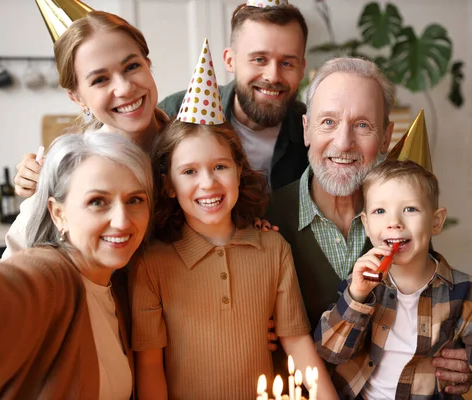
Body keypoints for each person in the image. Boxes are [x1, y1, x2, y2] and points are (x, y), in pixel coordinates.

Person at [130, 49, 337, 397]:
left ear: (239, 170)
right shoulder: (152, 263)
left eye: (220, 167)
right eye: (189, 172)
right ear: (168, 184)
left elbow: (298, 344)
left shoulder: (273, 248)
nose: (208, 184)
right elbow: (150, 366)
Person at [266, 57, 472, 393]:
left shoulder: (401, 218)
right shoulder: (267, 217)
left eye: (363, 125)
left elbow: (434, 301)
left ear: (385, 136)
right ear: (306, 129)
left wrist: (459, 354)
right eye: (328, 122)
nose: (344, 142)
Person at [0, 131, 154, 399]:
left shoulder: (118, 285)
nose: (122, 221)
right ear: (58, 213)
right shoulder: (49, 276)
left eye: (135, 200)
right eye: (97, 202)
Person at [314, 159, 472, 399]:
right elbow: (329, 352)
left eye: (410, 209)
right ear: (366, 225)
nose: (394, 222)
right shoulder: (360, 286)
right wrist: (356, 297)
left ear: (436, 221)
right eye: (380, 211)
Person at [3, 10, 169, 258]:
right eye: (100, 79)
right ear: (77, 97)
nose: (124, 88)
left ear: (148, 63)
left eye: (132, 66)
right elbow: (14, 266)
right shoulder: (70, 169)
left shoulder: (198, 147)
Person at [158, 2, 309, 190]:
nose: (273, 76)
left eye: (287, 63)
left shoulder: (314, 131)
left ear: (302, 69)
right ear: (230, 61)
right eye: (259, 59)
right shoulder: (173, 114)